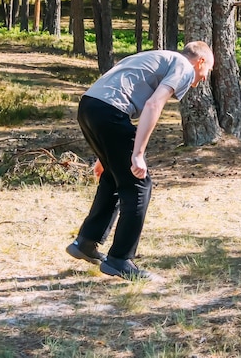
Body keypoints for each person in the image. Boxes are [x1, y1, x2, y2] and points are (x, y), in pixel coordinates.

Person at [66, 41, 214, 280]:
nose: (205, 78)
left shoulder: (160, 57)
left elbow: (114, 88)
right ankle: (120, 260)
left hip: (89, 106)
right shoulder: (184, 66)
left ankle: (86, 242)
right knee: (138, 184)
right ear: (201, 62)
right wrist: (137, 154)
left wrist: (105, 156)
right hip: (109, 111)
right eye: (208, 71)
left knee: (114, 177)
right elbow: (153, 104)